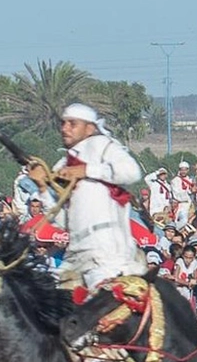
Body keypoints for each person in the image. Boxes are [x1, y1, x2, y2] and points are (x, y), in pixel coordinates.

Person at [31, 103, 144, 289]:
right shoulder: (62, 165)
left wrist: (86, 170)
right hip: (75, 253)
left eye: (72, 124)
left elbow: (131, 172)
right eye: (63, 123)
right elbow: (62, 222)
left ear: (89, 128)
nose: (64, 128)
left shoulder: (102, 146)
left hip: (105, 253)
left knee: (101, 306)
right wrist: (43, 188)